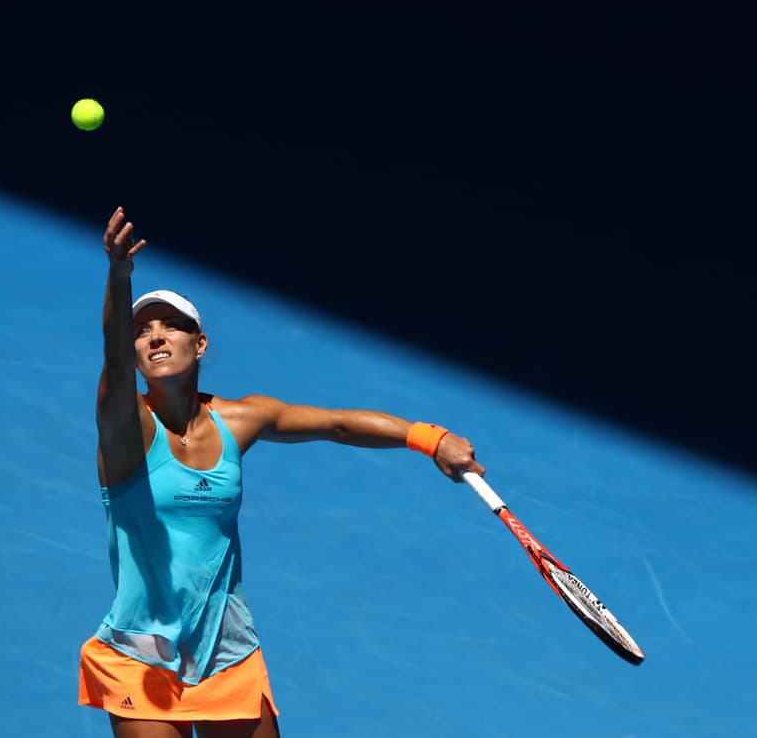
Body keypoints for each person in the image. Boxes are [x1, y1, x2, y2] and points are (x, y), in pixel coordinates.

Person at [78, 207, 486, 737]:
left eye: (171, 327)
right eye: (142, 331)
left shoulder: (241, 419)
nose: (155, 337)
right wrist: (118, 274)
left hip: (227, 650)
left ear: (199, 344)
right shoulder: (126, 426)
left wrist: (431, 439)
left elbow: (337, 424)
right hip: (142, 653)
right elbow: (111, 364)